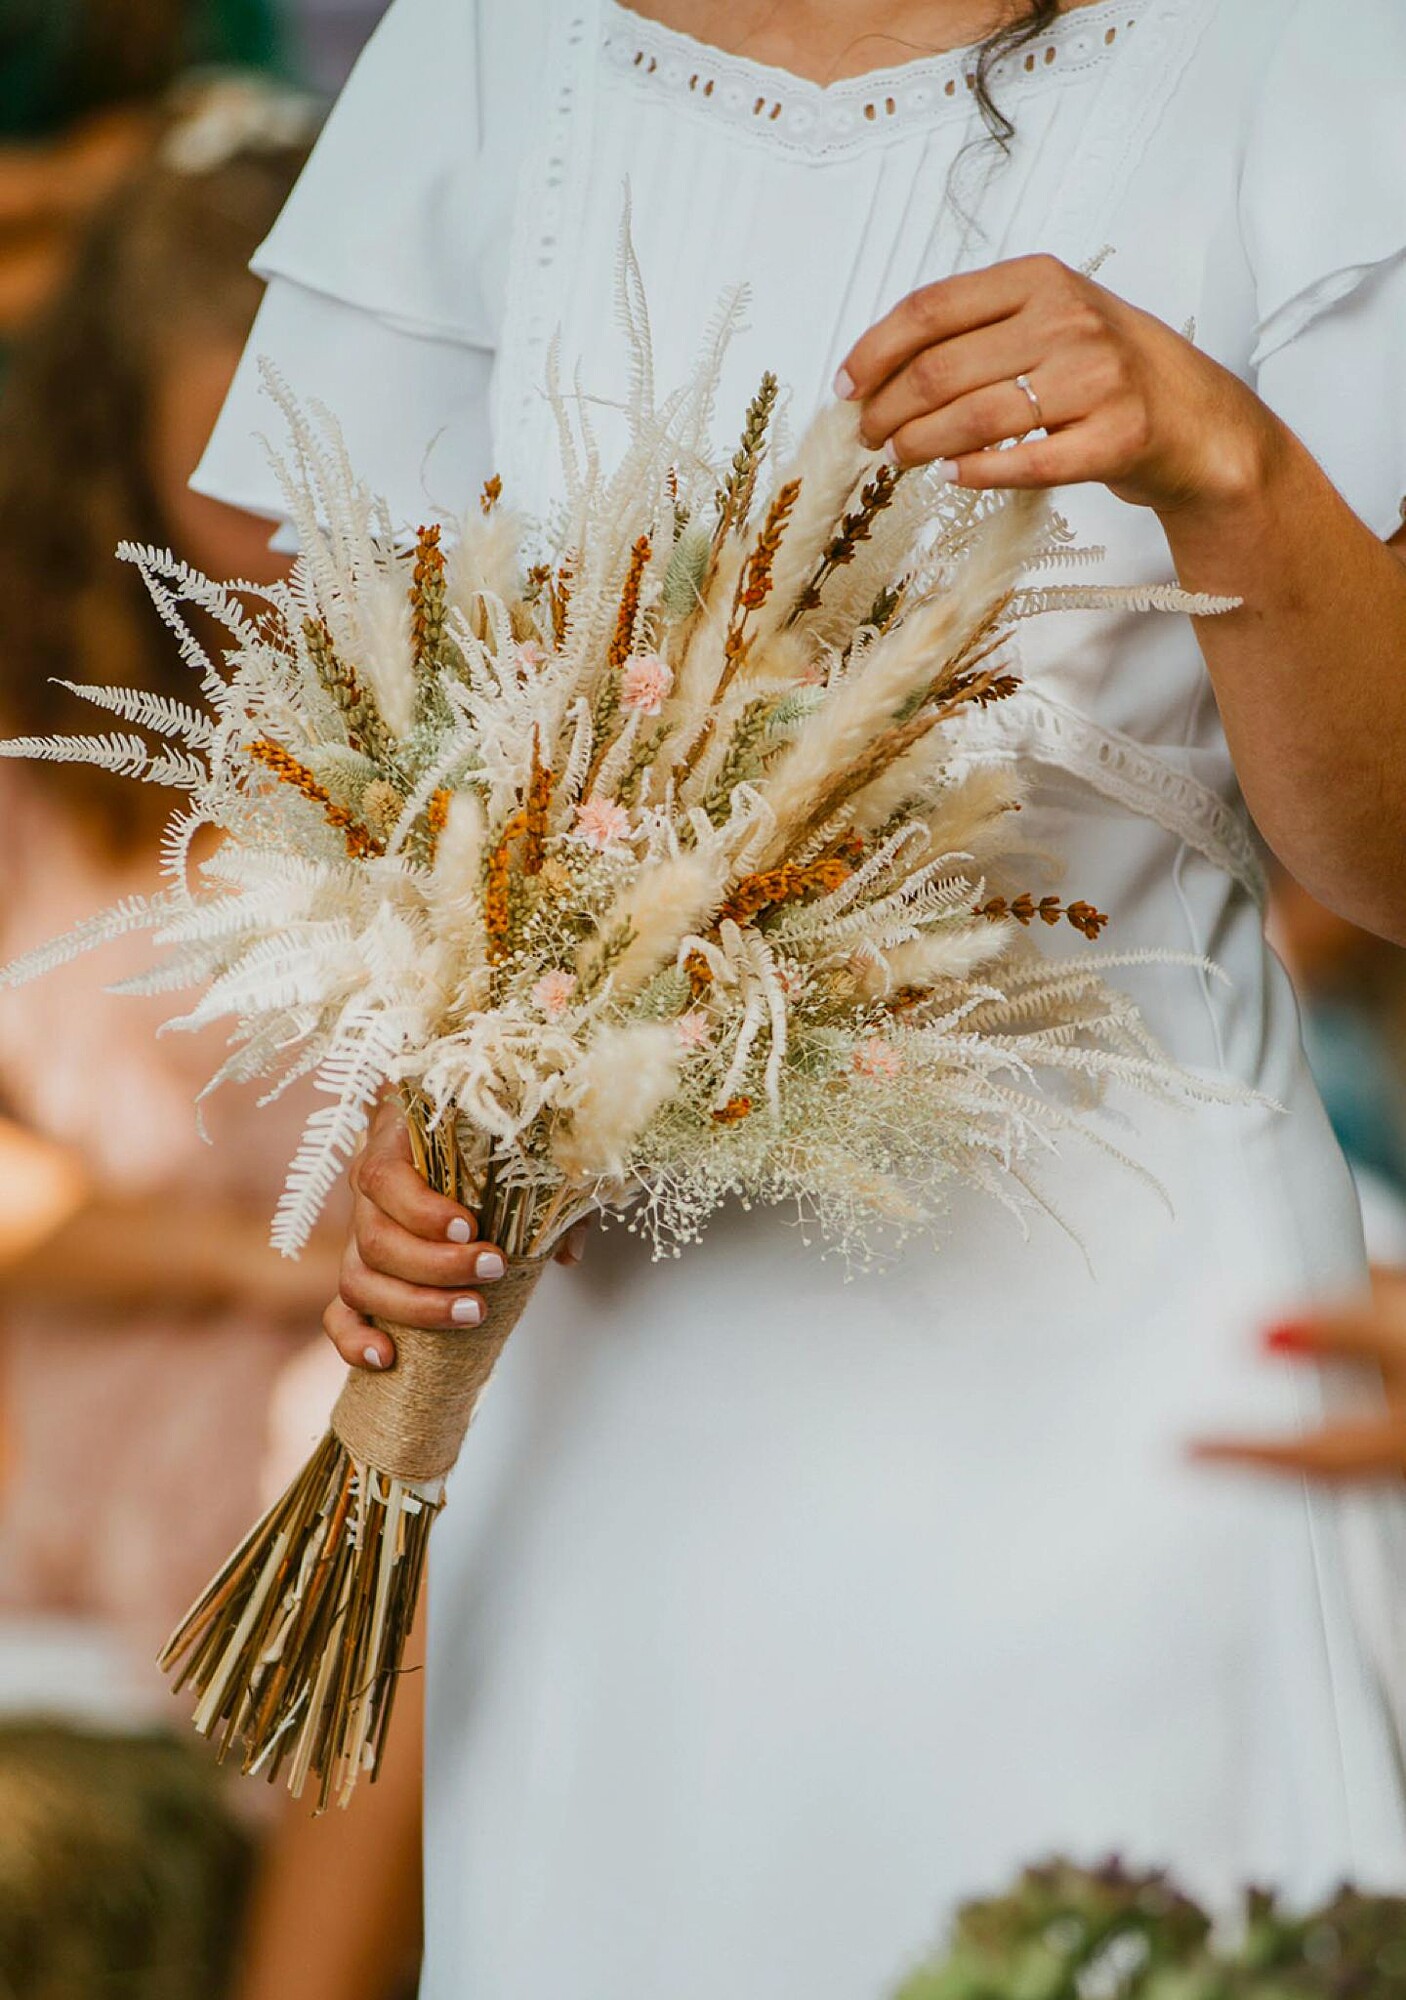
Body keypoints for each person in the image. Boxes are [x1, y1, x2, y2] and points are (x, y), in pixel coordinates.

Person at [194, 0, 1406, 1992]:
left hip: (1118, 1382)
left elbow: (1384, 864)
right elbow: (364, 748)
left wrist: (1229, 463)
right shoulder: (496, 45)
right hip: (617, 1392)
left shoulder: (1301, 53)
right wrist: (434, 1108)